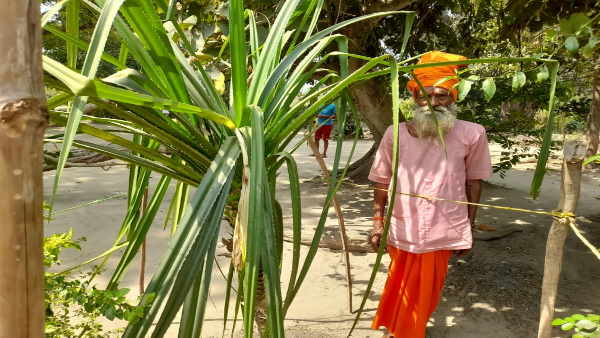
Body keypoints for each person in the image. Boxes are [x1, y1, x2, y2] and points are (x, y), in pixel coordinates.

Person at [368, 51, 492, 338]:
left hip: (443, 228)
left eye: (441, 96)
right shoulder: (394, 134)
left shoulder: (473, 133)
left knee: (428, 289)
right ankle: (404, 330)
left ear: (453, 98)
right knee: (398, 282)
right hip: (401, 226)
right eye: (425, 95)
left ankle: (408, 330)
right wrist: (377, 223)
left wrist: (468, 227)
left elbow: (474, 182)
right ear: (414, 97)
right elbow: (381, 181)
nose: (432, 103)